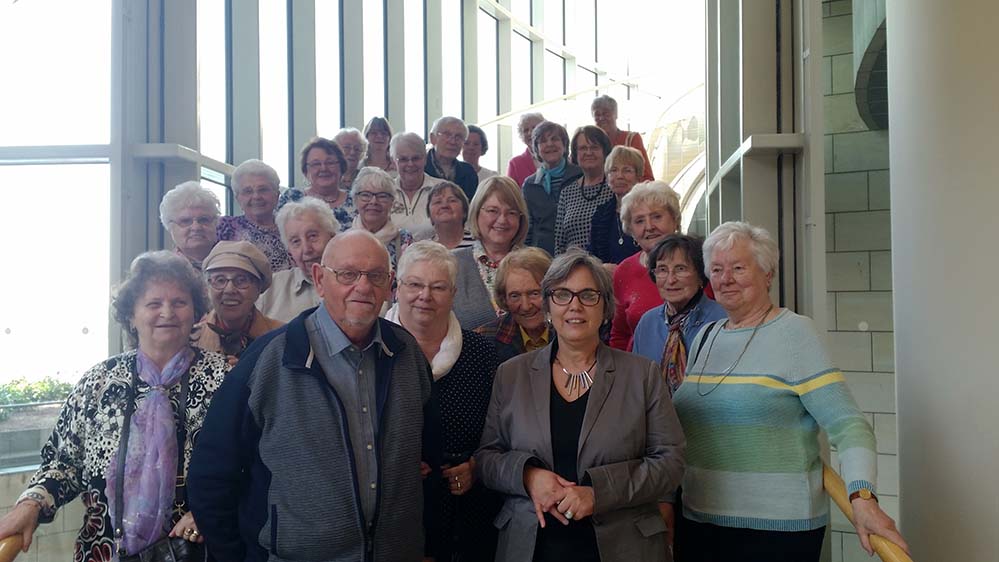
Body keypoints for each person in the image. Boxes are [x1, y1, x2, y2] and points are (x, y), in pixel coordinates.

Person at [188, 230, 443, 562]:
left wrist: (426, 544)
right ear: (321, 280)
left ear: (389, 284)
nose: (363, 287)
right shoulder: (268, 360)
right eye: (348, 274)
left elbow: (429, 459)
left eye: (375, 276)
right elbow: (211, 475)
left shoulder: (407, 354)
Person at [672, 221, 909, 561]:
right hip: (699, 519)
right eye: (717, 269)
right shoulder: (705, 337)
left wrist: (862, 498)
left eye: (739, 268)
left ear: (767, 274)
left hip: (776, 531)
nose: (726, 279)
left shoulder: (795, 333)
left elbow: (849, 425)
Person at [0, 251, 230, 560]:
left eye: (179, 302)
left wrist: (210, 511)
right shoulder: (98, 381)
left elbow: (248, 467)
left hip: (194, 551)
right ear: (131, 316)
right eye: (153, 304)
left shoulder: (226, 380)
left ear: (196, 313)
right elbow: (62, 463)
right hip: (104, 552)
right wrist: (30, 504)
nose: (168, 312)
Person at [475, 249, 685, 562]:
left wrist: (598, 493)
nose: (575, 305)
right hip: (531, 546)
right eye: (562, 294)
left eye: (588, 295)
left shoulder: (642, 374)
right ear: (548, 305)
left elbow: (670, 462)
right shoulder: (511, 374)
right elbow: (487, 459)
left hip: (624, 545)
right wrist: (528, 476)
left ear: (605, 308)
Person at [384, 241, 502, 561]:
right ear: (397, 288)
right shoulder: (370, 352)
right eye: (415, 284)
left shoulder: (485, 354)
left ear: (453, 294)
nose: (425, 296)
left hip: (469, 518)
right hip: (391, 518)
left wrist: (477, 466)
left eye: (438, 287)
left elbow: (508, 433)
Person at [632, 235, 726, 395]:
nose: (671, 279)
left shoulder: (722, 321)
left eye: (680, 269)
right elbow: (636, 384)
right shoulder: (648, 323)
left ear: (700, 274)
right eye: (662, 270)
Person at [609, 181, 683, 352]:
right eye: (639, 221)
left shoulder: (699, 263)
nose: (649, 227)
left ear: (675, 220)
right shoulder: (624, 271)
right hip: (639, 372)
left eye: (657, 216)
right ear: (631, 230)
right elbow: (619, 335)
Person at [453, 176, 530, 331]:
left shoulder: (537, 264)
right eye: (492, 211)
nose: (502, 220)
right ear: (476, 213)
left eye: (512, 213)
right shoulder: (451, 263)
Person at [193, 240, 283, 362]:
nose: (229, 290)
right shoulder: (191, 340)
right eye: (220, 280)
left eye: (241, 280)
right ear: (207, 288)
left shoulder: (282, 336)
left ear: (258, 288)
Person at [257, 196, 337, 322]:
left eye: (312, 236)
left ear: (332, 237)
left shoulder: (358, 282)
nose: (306, 249)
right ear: (289, 251)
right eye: (296, 241)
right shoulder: (270, 289)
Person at [217, 158, 293, 272]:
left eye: (263, 190)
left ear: (277, 195)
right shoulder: (224, 227)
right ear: (238, 198)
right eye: (248, 191)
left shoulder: (292, 228)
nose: (256, 196)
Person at [523, 121, 583, 256]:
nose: (549, 144)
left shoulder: (580, 175)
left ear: (564, 144)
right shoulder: (530, 184)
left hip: (576, 253)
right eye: (543, 141)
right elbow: (528, 228)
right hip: (541, 256)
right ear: (536, 149)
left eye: (555, 139)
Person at [488, 247, 553, 364]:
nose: (525, 306)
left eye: (534, 293)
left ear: (551, 291)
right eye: (515, 296)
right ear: (504, 298)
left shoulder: (571, 332)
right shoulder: (484, 341)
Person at [555, 126, 614, 255]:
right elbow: (559, 244)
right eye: (582, 148)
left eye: (594, 147)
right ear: (575, 154)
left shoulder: (615, 187)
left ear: (605, 152)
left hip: (608, 268)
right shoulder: (567, 192)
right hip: (572, 269)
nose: (588, 152)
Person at [277, 137, 354, 231]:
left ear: (341, 167)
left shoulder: (356, 200)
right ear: (306, 171)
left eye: (330, 163)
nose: (324, 168)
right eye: (316, 164)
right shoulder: (291, 198)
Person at [589, 145, 646, 266]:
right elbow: (592, 256)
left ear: (638, 176)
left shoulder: (647, 212)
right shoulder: (600, 214)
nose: (619, 176)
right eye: (613, 170)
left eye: (627, 170)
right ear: (607, 177)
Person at [350, 166, 414, 270]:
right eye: (366, 195)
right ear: (355, 200)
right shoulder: (344, 240)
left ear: (392, 202)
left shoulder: (404, 240)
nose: (373, 201)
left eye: (382, 196)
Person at [160, 180, 221, 271]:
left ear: (215, 223)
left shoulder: (236, 264)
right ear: (170, 226)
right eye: (185, 221)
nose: (196, 227)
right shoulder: (162, 271)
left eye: (204, 220)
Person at [591, 94, 654, 181]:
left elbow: (647, 177)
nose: (601, 118)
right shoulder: (590, 145)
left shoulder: (631, 139)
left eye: (606, 114)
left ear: (616, 115)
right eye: (597, 115)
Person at [389, 131, 438, 233]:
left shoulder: (442, 190)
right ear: (394, 162)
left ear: (425, 159)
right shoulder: (385, 192)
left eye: (416, 158)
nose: (410, 164)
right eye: (403, 159)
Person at [425, 116, 479, 201]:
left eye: (458, 137)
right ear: (433, 138)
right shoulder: (419, 168)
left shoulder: (468, 172)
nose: (452, 141)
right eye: (447, 135)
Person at [414, 181, 476, 250]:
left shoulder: (480, 244)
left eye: (452, 200)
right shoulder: (422, 250)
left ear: (464, 211)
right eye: (438, 202)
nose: (444, 206)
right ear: (429, 214)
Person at [506, 112, 545, 187]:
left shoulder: (557, 157)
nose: (530, 133)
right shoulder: (515, 163)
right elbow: (510, 194)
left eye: (534, 127)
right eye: (525, 130)